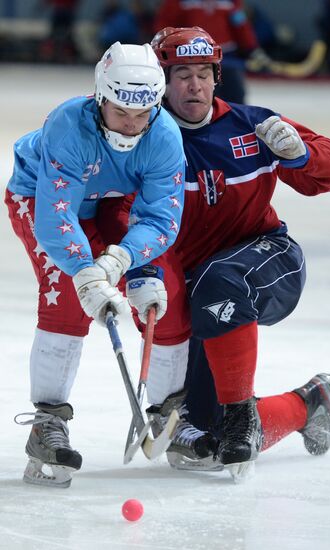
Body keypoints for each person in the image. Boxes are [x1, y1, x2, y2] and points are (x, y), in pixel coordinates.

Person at [96, 26, 330, 476]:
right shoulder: (146, 141)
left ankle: (238, 417)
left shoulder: (251, 125)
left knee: (219, 281)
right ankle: (308, 404)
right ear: (161, 83)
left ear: (217, 78)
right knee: (202, 443)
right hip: (198, 292)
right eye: (181, 75)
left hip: (270, 259)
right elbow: (121, 215)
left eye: (204, 74)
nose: (194, 85)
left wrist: (300, 154)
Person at [5, 41, 185, 487]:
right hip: (41, 197)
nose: (131, 123)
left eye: (143, 113)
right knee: (68, 298)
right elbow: (56, 213)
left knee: (165, 288)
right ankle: (47, 424)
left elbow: (161, 215)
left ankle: (171, 413)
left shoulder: (164, 135)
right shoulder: (69, 124)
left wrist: (130, 260)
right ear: (100, 96)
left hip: (109, 199)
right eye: (121, 110)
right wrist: (86, 273)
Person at [153, 0, 269, 104]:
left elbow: (240, 24)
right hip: (190, 58)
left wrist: (252, 49)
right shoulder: (177, 2)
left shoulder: (231, 2)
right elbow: (164, 26)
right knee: (196, 96)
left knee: (236, 97)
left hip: (227, 56)